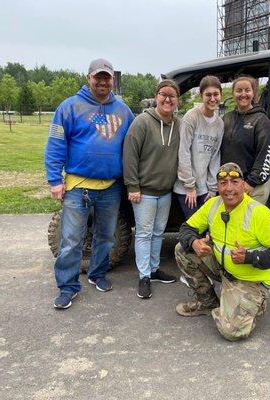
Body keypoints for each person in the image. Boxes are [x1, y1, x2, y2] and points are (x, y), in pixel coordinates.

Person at [45, 58, 135, 309]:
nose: (103, 81)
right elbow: (55, 145)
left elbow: (133, 145)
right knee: (72, 240)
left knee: (105, 237)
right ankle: (68, 286)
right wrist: (55, 179)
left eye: (107, 77)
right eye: (98, 77)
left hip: (111, 187)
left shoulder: (123, 110)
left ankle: (97, 274)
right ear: (88, 78)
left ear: (113, 80)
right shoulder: (69, 107)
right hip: (78, 187)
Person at [174, 162, 270, 341]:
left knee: (232, 332)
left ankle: (252, 304)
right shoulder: (213, 205)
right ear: (218, 186)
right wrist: (194, 241)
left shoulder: (259, 213)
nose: (229, 188)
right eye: (223, 183)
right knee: (183, 249)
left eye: (234, 182)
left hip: (251, 281)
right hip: (224, 269)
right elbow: (186, 228)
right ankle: (209, 303)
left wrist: (250, 257)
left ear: (243, 185)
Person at [123, 79, 181, 300]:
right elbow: (130, 155)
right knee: (144, 234)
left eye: (172, 96)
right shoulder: (142, 122)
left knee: (158, 233)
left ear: (177, 100)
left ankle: (155, 270)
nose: (167, 99)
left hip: (165, 191)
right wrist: (133, 185)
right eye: (163, 94)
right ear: (156, 97)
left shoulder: (179, 124)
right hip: (144, 191)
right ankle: (144, 276)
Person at [173, 75, 224, 218]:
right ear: (201, 95)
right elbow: (183, 151)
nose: (212, 99)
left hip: (205, 188)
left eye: (216, 94)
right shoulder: (191, 117)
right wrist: (189, 186)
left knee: (209, 229)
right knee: (194, 229)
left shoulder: (219, 123)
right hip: (187, 188)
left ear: (221, 95)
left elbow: (215, 156)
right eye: (208, 94)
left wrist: (213, 189)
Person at [221, 75, 270, 205]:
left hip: (253, 187)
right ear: (233, 93)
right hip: (230, 185)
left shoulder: (261, 120)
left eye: (247, 90)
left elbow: (266, 154)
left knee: (248, 224)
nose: (243, 94)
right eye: (239, 90)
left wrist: (251, 182)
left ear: (253, 93)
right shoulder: (226, 119)